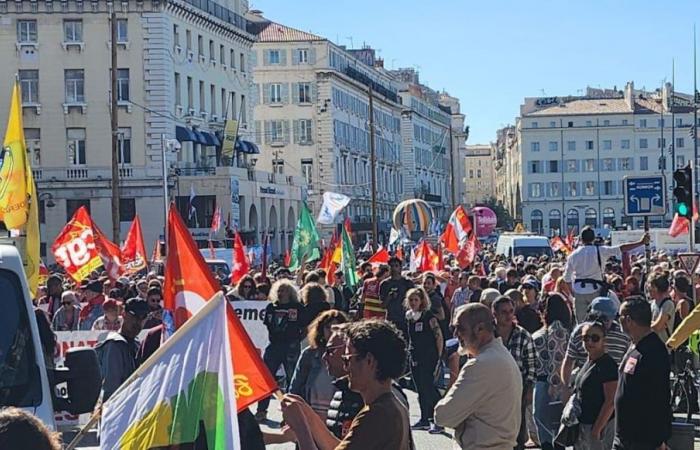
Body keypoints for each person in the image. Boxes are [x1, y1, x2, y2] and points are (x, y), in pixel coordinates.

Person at [281, 319, 413, 450]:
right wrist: (308, 415)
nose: (346, 369)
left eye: (347, 360)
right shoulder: (392, 406)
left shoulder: (376, 414)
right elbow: (338, 447)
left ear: (369, 361)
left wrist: (300, 428)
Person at [434, 303, 522, 449]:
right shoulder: (502, 355)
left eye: (460, 328)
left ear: (480, 329)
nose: (455, 334)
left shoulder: (480, 365)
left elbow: (442, 416)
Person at [614, 298, 671, 449]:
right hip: (624, 436)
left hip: (643, 439)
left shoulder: (654, 350)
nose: (617, 320)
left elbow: (660, 395)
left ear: (628, 320)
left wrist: (659, 438)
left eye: (619, 316)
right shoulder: (635, 346)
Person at [562, 226, 647, 323]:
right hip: (596, 290)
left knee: (581, 324)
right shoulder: (601, 250)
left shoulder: (573, 255)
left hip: (579, 291)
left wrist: (573, 293)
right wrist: (640, 242)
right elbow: (621, 248)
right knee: (598, 322)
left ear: (581, 239)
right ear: (593, 238)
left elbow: (567, 278)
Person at [256, 279, 305, 422]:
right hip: (274, 346)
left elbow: (305, 326)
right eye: (278, 290)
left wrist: (296, 340)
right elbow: (268, 325)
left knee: (292, 380)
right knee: (267, 378)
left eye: (283, 290)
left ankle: (290, 414)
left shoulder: (297, 307)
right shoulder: (271, 307)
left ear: (290, 292)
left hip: (291, 346)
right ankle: (261, 410)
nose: (280, 293)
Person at [493, 295, 537, 450]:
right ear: (495, 314)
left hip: (517, 391)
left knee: (517, 436)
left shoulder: (523, 335)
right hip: (492, 391)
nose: (508, 315)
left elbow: (531, 366)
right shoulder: (487, 335)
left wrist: (529, 390)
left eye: (511, 311)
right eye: (503, 312)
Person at [290, 310, 349, 420]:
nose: (332, 332)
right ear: (321, 329)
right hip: (310, 412)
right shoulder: (309, 354)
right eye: (328, 328)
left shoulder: (348, 354)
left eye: (336, 327)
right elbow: (296, 386)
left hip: (337, 413)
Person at [561, 297, 631, 386]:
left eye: (607, 319)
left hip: (613, 384)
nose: (604, 323)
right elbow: (569, 360)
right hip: (585, 381)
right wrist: (567, 386)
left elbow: (629, 361)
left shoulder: (622, 334)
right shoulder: (579, 332)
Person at [532, 293, 571, 450]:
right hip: (541, 380)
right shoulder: (552, 327)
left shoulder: (556, 328)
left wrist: (554, 384)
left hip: (547, 381)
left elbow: (558, 357)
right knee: (542, 419)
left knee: (546, 420)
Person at [404, 288, 444, 433]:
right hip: (415, 356)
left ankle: (438, 419)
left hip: (429, 356)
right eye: (411, 300)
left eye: (416, 300)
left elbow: (438, 336)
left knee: (428, 387)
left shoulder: (428, 317)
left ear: (422, 301)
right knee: (419, 388)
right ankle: (424, 418)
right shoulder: (409, 317)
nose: (413, 303)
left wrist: (439, 357)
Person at [95, 297, 149, 401]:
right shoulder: (114, 345)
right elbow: (111, 388)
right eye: (134, 316)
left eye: (143, 318)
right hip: (118, 408)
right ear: (124, 314)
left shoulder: (136, 344)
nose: (138, 322)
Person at [574, 321, 618, 450]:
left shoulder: (607, 365)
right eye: (585, 338)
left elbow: (610, 401)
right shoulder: (588, 362)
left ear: (604, 340)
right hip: (584, 425)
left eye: (595, 338)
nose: (589, 342)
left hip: (600, 427)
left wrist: (597, 429)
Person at [379, 257, 415, 332]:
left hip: (406, 318)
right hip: (391, 320)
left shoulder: (407, 282)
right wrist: (389, 297)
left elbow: (415, 301)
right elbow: (382, 306)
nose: (394, 268)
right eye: (391, 266)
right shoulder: (384, 284)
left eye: (396, 266)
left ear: (400, 267)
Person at [647, 271, 675, 353]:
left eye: (649, 285)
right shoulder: (652, 303)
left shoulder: (667, 304)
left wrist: (647, 324)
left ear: (655, 287)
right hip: (652, 348)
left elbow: (657, 327)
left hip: (664, 350)